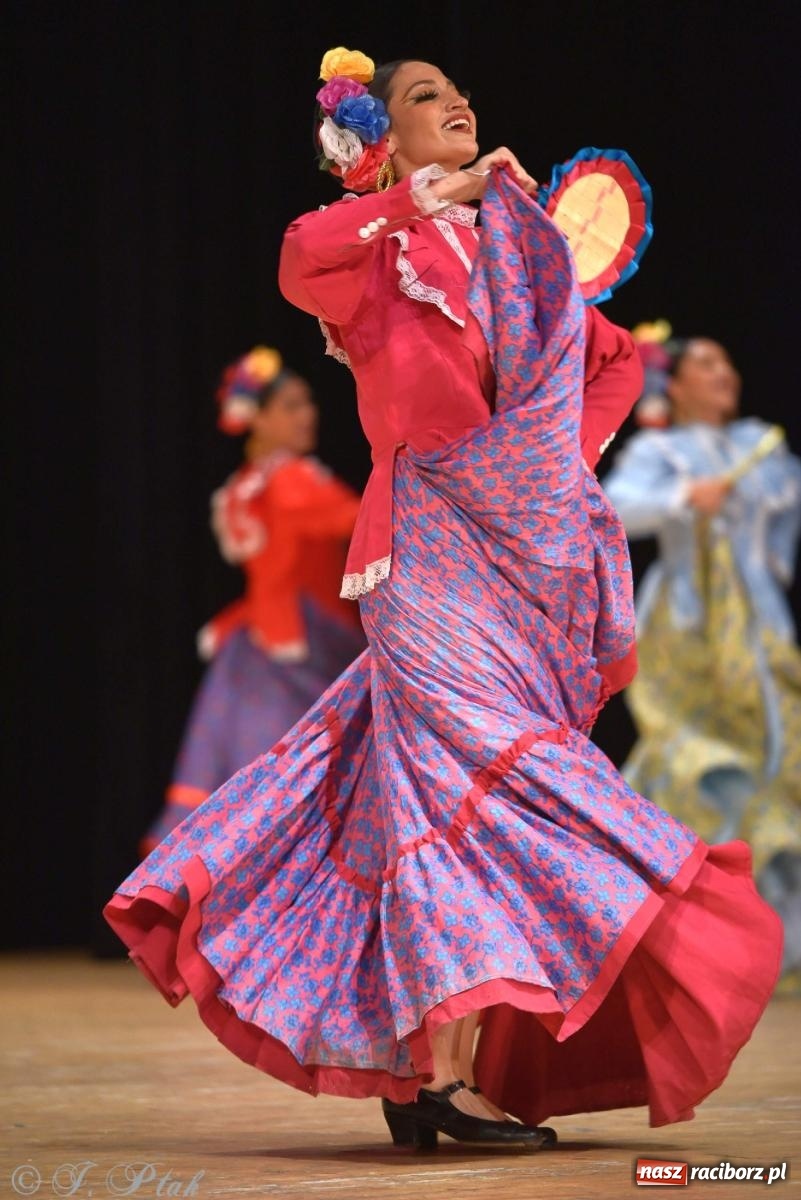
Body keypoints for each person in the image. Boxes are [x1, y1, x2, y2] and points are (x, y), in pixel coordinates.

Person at [104, 50, 782, 1151]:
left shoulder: (519, 257)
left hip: (520, 566)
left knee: (443, 797)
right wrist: (424, 198)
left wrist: (547, 454)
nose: (456, 105)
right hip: (419, 550)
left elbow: (608, 359)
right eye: (426, 98)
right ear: (388, 141)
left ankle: (436, 1078)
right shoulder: (382, 253)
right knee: (483, 774)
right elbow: (296, 255)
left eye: (460, 94)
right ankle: (448, 1063)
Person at [604, 325, 801, 982]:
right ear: (676, 382)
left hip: (754, 622)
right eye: (707, 363)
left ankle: (773, 932)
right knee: (694, 756)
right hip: (685, 623)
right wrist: (684, 499)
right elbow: (613, 505)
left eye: (727, 362)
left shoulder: (759, 447)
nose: (724, 374)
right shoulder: (660, 450)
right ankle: (689, 935)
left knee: (773, 752)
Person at [141, 347, 365, 853]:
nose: (308, 414)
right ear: (257, 418)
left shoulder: (246, 486)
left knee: (250, 778)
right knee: (295, 786)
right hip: (298, 648)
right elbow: (362, 522)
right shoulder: (293, 480)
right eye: (290, 405)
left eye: (308, 403)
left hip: (259, 644)